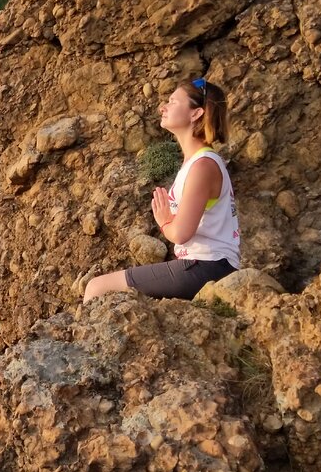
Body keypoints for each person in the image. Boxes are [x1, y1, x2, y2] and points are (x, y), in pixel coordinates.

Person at [83, 76, 240, 302]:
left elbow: (180, 233)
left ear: (196, 114)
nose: (162, 107)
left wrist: (166, 221)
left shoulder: (203, 166)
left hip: (207, 267)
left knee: (97, 287)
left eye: (173, 101)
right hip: (203, 265)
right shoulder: (196, 162)